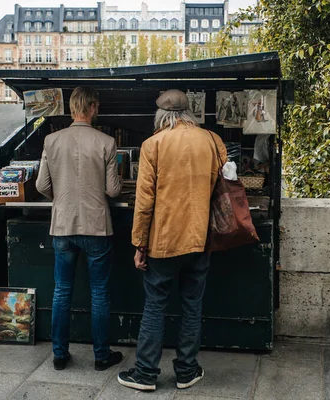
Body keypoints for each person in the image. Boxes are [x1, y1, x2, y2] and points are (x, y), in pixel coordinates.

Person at [117, 89, 227, 391]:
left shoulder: (153, 145)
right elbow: (221, 181)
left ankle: (146, 374)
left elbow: (144, 202)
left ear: (161, 116)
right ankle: (187, 371)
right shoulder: (212, 140)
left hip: (163, 241)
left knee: (155, 306)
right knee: (192, 305)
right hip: (200, 237)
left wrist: (139, 244)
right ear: (188, 113)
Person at [36, 86, 123, 372]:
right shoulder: (107, 142)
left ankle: (60, 355)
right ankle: (101, 356)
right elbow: (112, 190)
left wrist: (62, 199)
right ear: (93, 107)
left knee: (62, 291)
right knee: (99, 292)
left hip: (62, 226)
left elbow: (41, 186)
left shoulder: (50, 140)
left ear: (72, 108)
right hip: (96, 226)